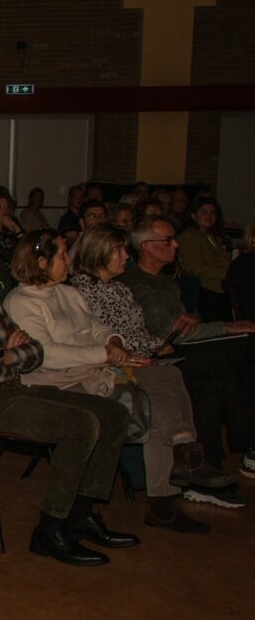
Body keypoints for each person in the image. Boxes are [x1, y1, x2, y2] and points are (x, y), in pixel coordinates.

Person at [0, 226, 130, 566]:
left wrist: (4, 355)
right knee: (79, 425)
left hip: (13, 389)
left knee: (112, 414)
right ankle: (49, 530)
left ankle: (82, 512)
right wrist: (6, 353)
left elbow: (35, 352)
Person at [67, 224, 236, 530]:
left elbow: (139, 334)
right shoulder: (79, 291)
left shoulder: (120, 289)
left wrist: (154, 347)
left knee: (167, 392)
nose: (125, 256)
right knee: (168, 378)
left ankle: (170, 487)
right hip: (102, 366)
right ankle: (182, 467)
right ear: (98, 253)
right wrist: (140, 352)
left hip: (138, 358)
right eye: (118, 250)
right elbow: (91, 339)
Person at [121, 215, 255, 489]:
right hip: (158, 356)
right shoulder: (137, 283)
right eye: (167, 240)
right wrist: (228, 327)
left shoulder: (165, 281)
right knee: (225, 355)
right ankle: (246, 439)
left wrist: (193, 315)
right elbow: (172, 330)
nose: (175, 245)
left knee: (217, 379)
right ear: (146, 246)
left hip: (179, 348)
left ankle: (211, 467)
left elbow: (185, 320)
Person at [177, 198, 233, 320]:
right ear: (193, 215)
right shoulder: (188, 236)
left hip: (221, 285)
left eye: (212, 213)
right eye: (204, 212)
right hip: (205, 289)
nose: (209, 216)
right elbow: (197, 266)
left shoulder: (211, 236)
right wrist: (227, 273)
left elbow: (224, 260)